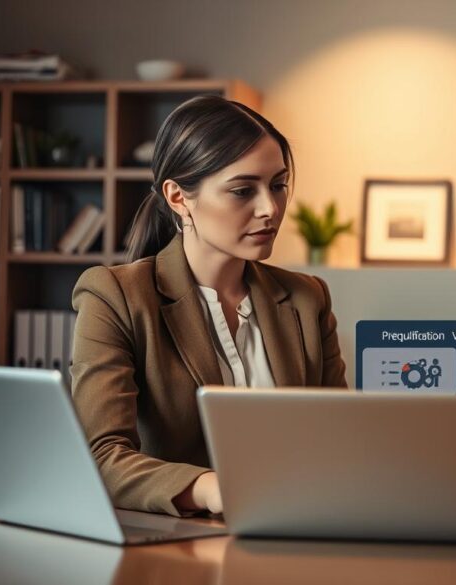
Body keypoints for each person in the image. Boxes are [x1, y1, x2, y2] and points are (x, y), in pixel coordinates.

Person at [70, 96, 347, 517]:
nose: (269, 208)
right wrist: (213, 489)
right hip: (177, 546)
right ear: (179, 198)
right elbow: (102, 455)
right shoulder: (115, 296)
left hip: (300, 528)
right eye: (242, 190)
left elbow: (337, 440)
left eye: (277, 184)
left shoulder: (309, 298)